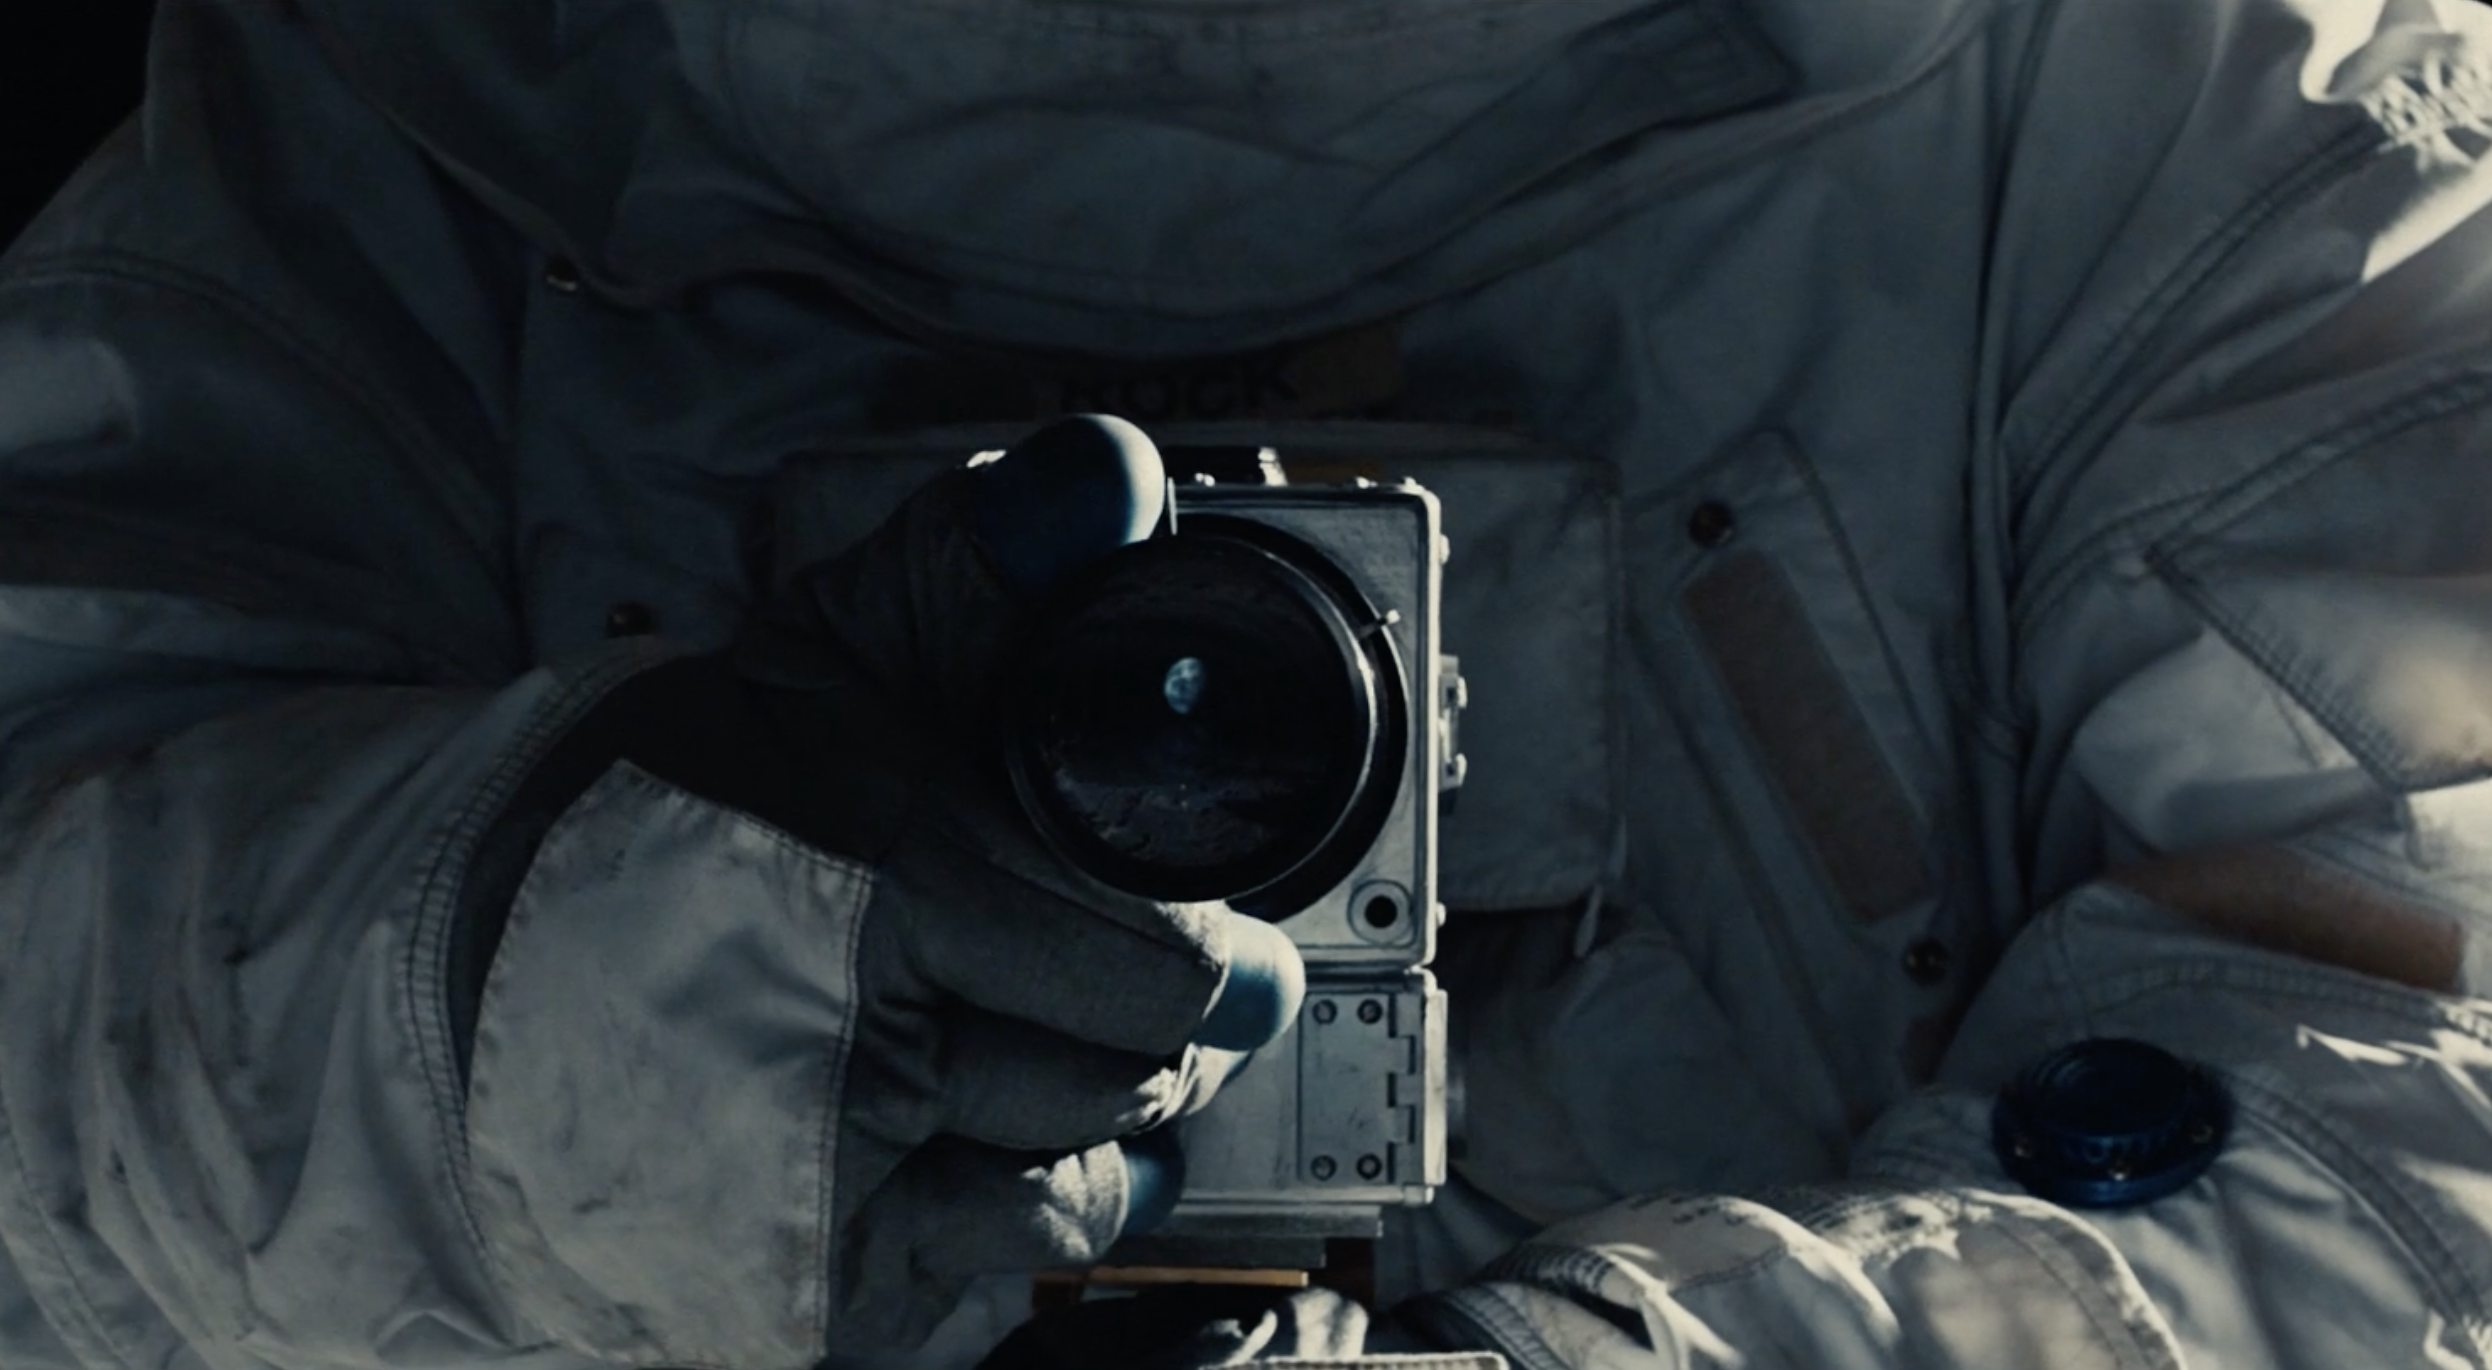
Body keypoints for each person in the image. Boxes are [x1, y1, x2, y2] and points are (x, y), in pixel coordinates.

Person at [9, 0, 2492, 1366]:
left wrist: (503, 1031)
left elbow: (2411, 1107)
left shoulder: (2201, 128)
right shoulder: (397, 149)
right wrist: (521, 990)